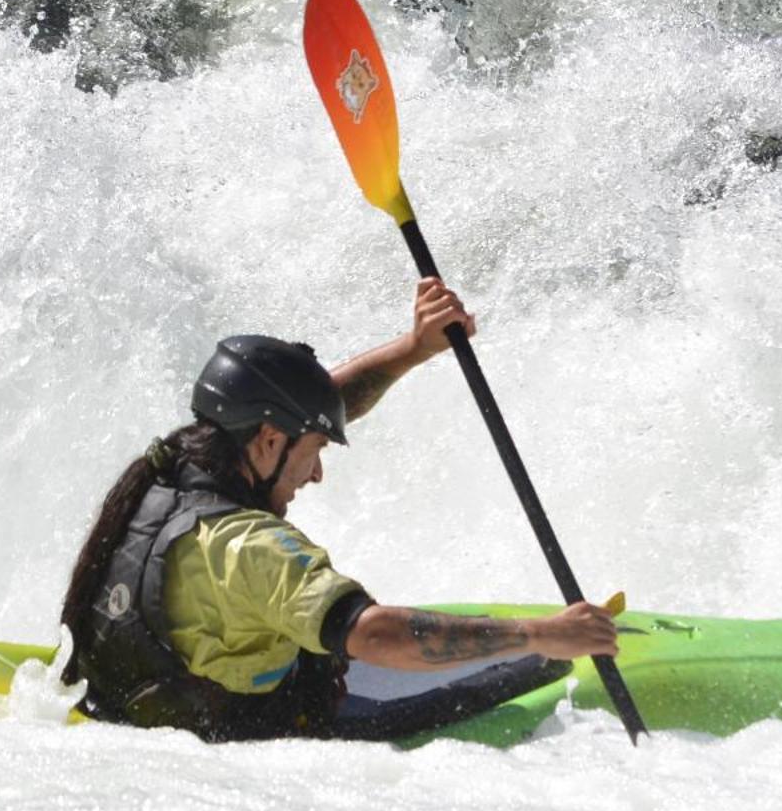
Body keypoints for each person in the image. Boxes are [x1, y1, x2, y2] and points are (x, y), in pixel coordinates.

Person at [58, 278, 620, 742]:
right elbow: (374, 636)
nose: (318, 474)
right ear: (270, 442)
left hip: (130, 707)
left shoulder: (172, 467)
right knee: (531, 671)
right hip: (252, 735)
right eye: (316, 453)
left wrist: (415, 348)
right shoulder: (250, 549)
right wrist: (540, 635)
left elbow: (313, 406)